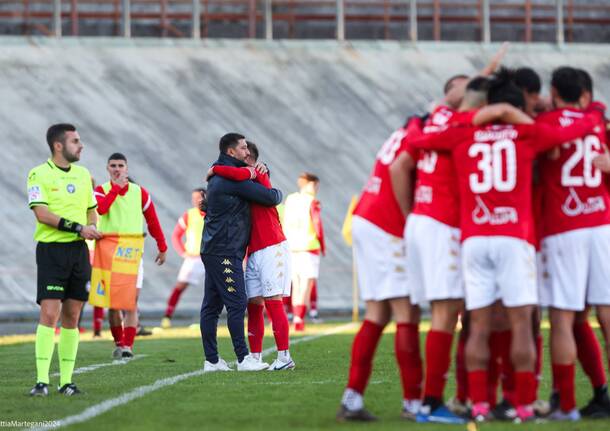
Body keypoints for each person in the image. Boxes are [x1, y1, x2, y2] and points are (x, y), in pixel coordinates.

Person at [409, 69, 597, 423]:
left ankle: (479, 404)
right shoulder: (528, 133)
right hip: (514, 237)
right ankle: (524, 405)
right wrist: (515, 116)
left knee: (476, 325)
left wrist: (430, 121)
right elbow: (575, 129)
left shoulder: (464, 134)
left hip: (475, 238)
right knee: (522, 326)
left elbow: (418, 143)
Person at [537, 67, 610, 421]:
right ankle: (599, 396)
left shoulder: (547, 121)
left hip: (564, 225)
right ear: (584, 94)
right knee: (606, 314)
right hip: (602, 224)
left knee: (563, 318)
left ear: (553, 91)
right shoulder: (598, 121)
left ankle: (565, 404)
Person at [337, 116, 421, 421]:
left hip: (367, 217)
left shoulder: (408, 128)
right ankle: (414, 403)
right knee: (407, 312)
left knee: (379, 313)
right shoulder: (425, 132)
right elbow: (401, 168)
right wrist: (409, 219)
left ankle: (353, 399)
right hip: (385, 224)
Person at [27, 123, 102, 396]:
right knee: (49, 314)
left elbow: (91, 210)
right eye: (75, 141)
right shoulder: (38, 174)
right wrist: (79, 227)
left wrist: (92, 227)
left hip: (79, 253)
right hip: (51, 252)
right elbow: (42, 214)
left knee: (72, 316)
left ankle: (66, 382)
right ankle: (41, 381)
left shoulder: (84, 176)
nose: (81, 145)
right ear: (58, 145)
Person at [208, 141, 295, 371]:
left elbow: (273, 196)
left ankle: (284, 357)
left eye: (245, 153)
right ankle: (254, 358)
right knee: (254, 304)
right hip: (254, 251)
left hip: (272, 246)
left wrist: (215, 169)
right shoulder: (238, 182)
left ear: (250, 162)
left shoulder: (257, 176)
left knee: (273, 299)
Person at [94, 153, 167, 359]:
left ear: (127, 168)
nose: (117, 169)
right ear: (108, 168)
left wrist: (162, 246)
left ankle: (128, 346)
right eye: (113, 165)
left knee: (131, 303)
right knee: (114, 305)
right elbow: (101, 209)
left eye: (121, 165)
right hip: (108, 254)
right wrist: (116, 188)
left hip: (133, 254)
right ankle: (119, 342)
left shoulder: (139, 192)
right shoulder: (100, 191)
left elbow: (152, 220)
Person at [282, 172, 326, 331]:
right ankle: (299, 319)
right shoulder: (311, 201)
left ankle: (296, 318)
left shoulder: (291, 199)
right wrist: (322, 244)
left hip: (292, 247)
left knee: (296, 284)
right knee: (306, 285)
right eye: (316, 186)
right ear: (311, 184)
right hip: (309, 246)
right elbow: (317, 225)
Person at [161, 188, 207, 329]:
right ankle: (167, 317)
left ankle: (217, 318)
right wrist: (183, 252)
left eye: (198, 198)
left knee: (218, 288)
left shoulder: (214, 213)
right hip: (193, 258)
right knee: (179, 287)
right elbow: (176, 235)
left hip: (210, 258)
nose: (195, 201)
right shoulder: (189, 215)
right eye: (193, 198)